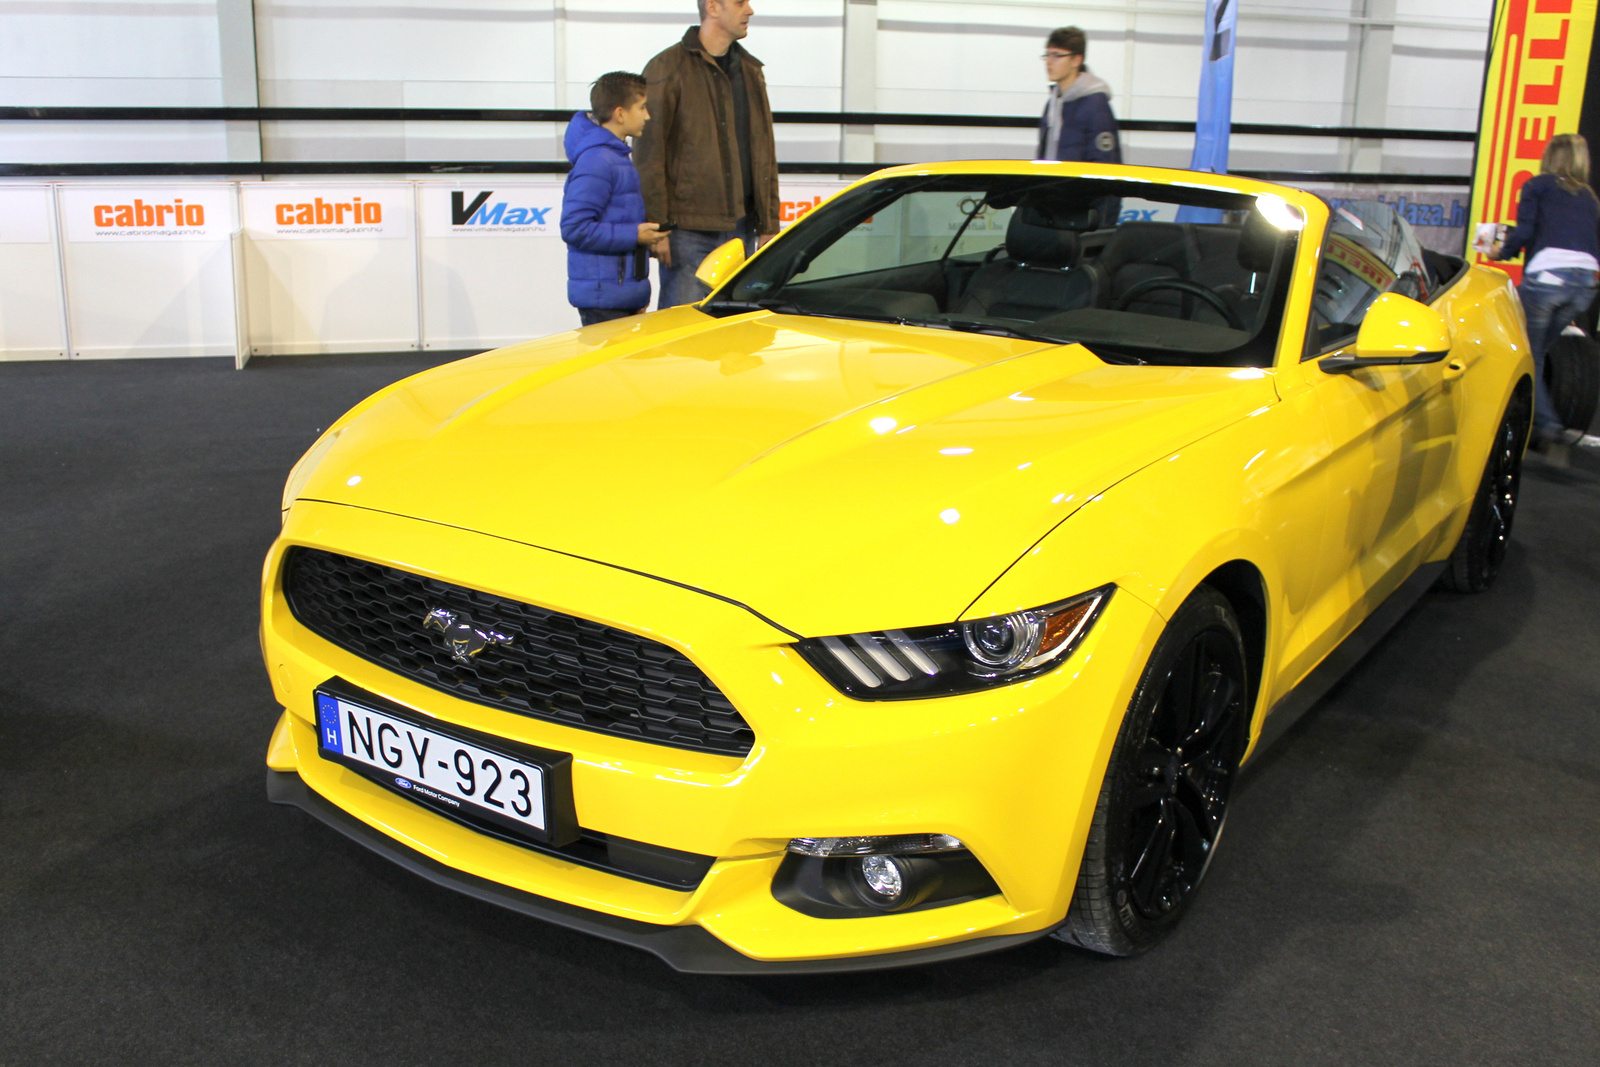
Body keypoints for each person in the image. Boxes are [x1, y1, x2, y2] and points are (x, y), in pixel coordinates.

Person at [633, 0, 780, 308]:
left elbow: (764, 151)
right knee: (681, 337)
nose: (749, 10)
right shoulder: (667, 68)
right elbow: (649, 153)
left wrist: (769, 225)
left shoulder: (752, 71)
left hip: (742, 229)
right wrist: (658, 227)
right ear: (713, 7)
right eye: (740, 2)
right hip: (687, 231)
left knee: (733, 335)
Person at [1492, 133, 1600, 466]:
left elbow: (1524, 232)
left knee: (1527, 352)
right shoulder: (1590, 198)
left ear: (1550, 157)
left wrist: (1501, 251)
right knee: (1536, 352)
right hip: (1585, 284)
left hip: (1548, 279)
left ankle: (1547, 425)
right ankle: (1545, 421)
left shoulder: (1538, 186)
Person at [561, 71, 667, 327]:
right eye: (641, 108)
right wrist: (636, 235)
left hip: (618, 296)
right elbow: (575, 228)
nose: (647, 116)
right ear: (620, 114)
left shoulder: (613, 157)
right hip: (604, 301)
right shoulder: (598, 161)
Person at [1037, 27, 1121, 164]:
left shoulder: (1096, 105)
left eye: (1057, 55)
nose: (1049, 62)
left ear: (1076, 60)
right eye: (1047, 55)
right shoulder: (1052, 104)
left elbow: (1103, 163)